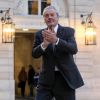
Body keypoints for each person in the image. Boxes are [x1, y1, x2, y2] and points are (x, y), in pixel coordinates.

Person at [32, 6, 84, 100]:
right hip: (46, 79)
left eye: (52, 15)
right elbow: (34, 54)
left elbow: (73, 49)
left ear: (57, 17)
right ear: (44, 19)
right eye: (46, 15)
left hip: (64, 79)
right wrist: (44, 44)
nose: (49, 17)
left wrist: (56, 40)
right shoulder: (39, 34)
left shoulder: (68, 31)